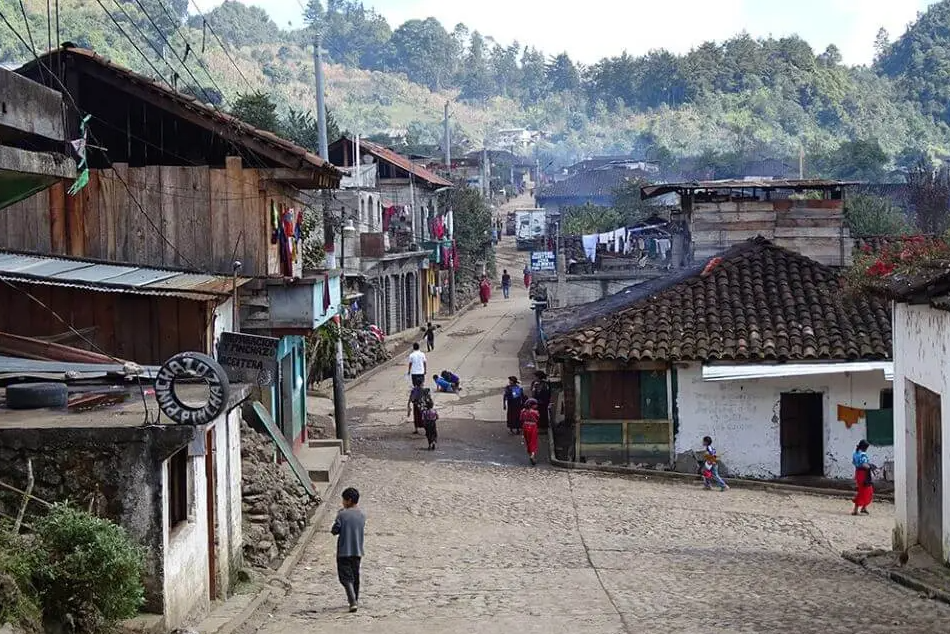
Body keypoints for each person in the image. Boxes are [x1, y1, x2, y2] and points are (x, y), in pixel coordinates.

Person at [331, 487, 366, 613]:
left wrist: (338, 518)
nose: (342, 502)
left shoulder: (342, 514)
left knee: (345, 578)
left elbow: (335, 530)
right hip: (357, 551)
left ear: (349, 500)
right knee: (355, 576)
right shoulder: (362, 515)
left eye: (343, 500)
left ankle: (352, 601)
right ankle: (355, 598)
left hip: (344, 551)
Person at [852, 440, 877, 515]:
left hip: (858, 473)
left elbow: (854, 462)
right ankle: (857, 509)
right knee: (867, 491)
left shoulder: (855, 453)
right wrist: (870, 466)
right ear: (865, 447)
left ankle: (862, 508)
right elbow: (864, 465)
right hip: (864, 474)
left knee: (862, 490)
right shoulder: (863, 454)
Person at [520, 398, 540, 465]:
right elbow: (537, 418)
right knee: (533, 441)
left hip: (525, 426)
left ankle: (530, 453)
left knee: (528, 441)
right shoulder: (535, 412)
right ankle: (532, 455)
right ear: (532, 405)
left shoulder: (523, 411)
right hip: (533, 427)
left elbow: (521, 418)